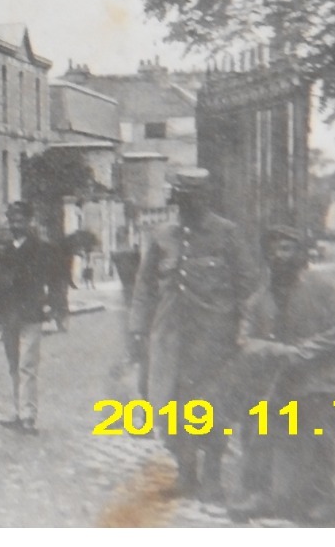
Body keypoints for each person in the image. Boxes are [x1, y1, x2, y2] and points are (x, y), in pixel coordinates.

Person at [129, 168, 254, 502]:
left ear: (205, 197)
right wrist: (138, 328)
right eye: (182, 196)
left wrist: (245, 329)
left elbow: (247, 286)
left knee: (213, 408)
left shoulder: (227, 234)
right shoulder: (161, 236)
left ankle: (212, 476)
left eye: (194, 196)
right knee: (169, 407)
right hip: (171, 338)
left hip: (214, 340)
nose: (187, 203)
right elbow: (144, 287)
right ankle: (186, 474)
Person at [230, 225, 335, 525]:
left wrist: (305, 351)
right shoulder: (258, 300)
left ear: (302, 254)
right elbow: (245, 341)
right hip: (277, 381)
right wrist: (280, 352)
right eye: (272, 250)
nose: (278, 256)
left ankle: (327, 498)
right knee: (257, 421)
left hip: (319, 379)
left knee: (323, 427)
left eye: (286, 248)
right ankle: (258, 493)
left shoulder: (324, 290)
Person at [0, 201, 56, 435]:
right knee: (13, 366)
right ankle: (18, 413)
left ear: (29, 222)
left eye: (19, 220)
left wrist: (53, 308)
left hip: (30, 315)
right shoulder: (6, 250)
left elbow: (47, 280)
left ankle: (29, 417)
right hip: (9, 315)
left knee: (27, 365)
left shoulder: (40, 249)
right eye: (12, 220)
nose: (15, 224)